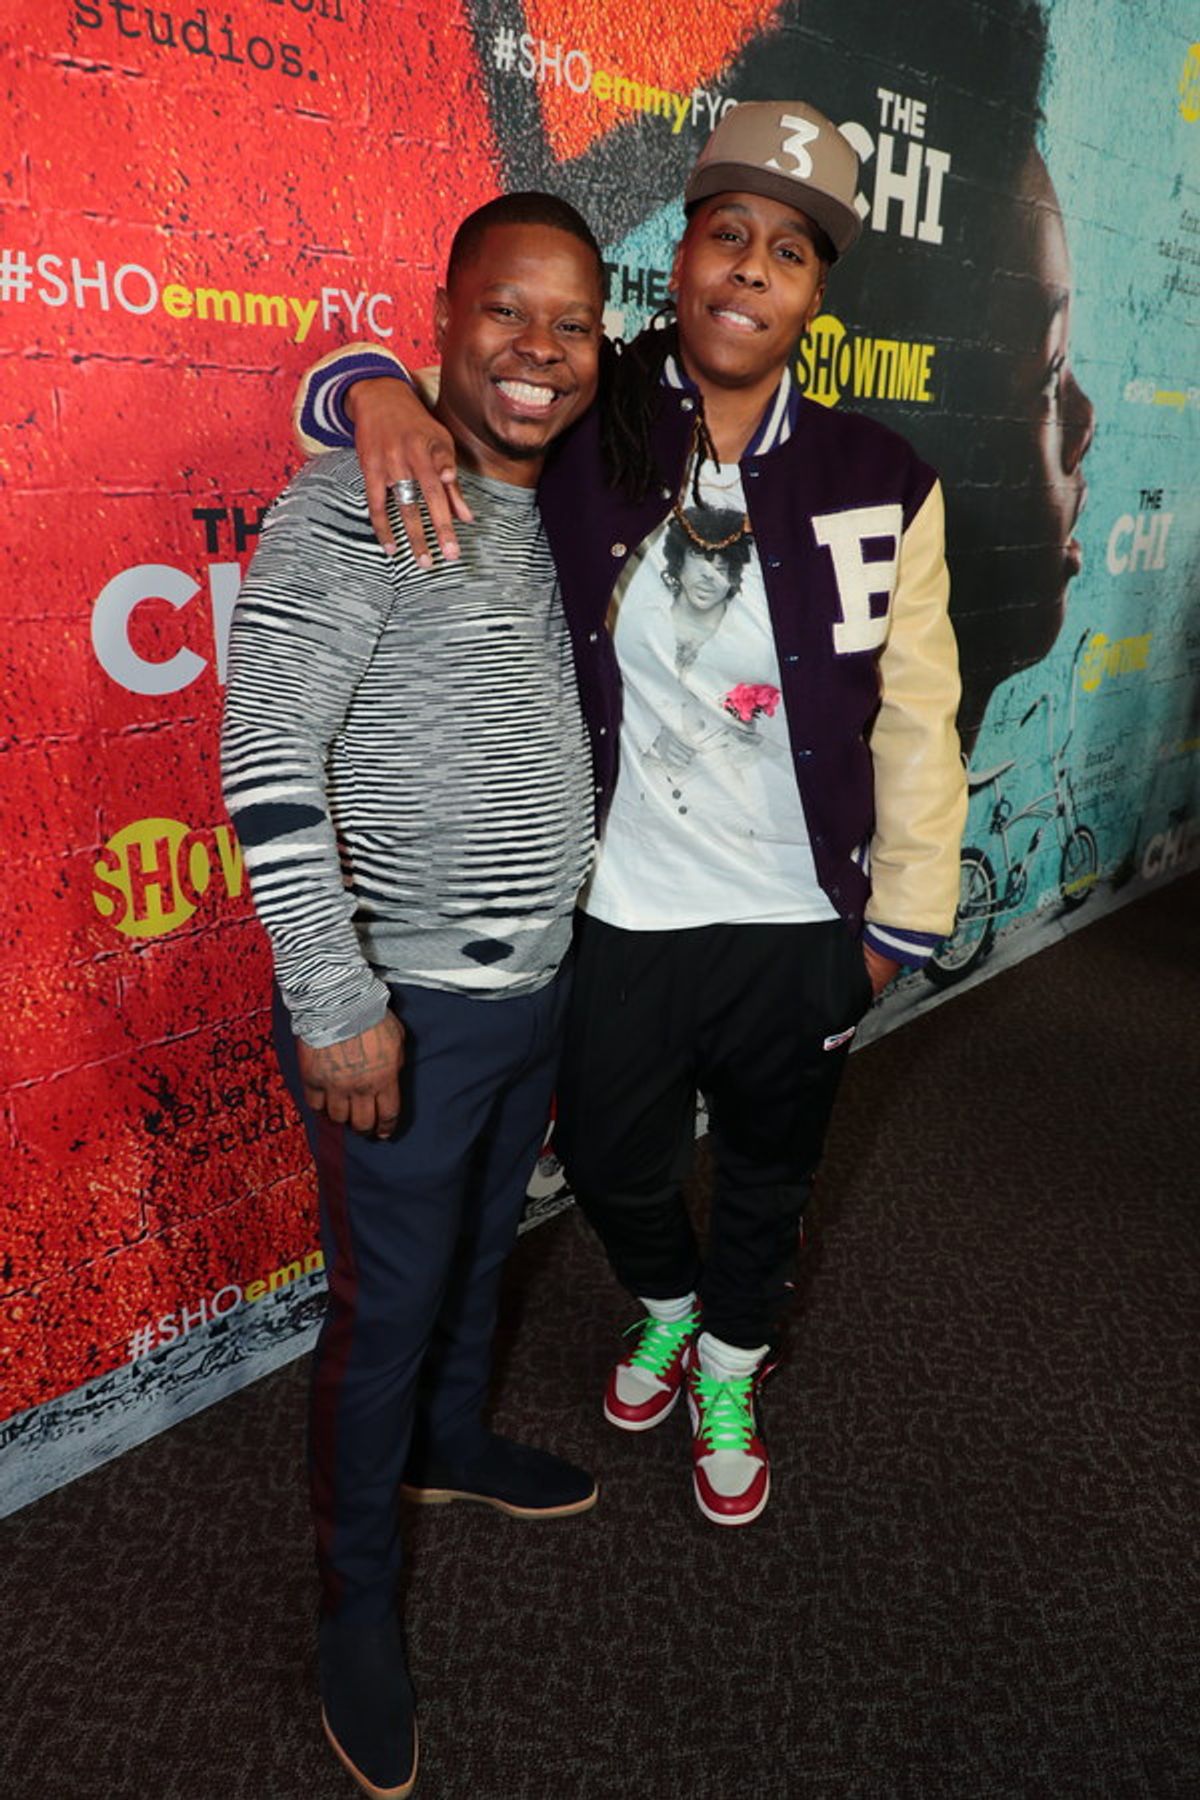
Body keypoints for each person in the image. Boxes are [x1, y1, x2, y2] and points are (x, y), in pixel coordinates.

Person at [292, 103, 967, 1529]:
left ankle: (729, 1365)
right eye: (729, 234)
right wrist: (366, 386)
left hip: (802, 923)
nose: (752, 268)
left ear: (816, 292)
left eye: (790, 252)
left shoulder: (881, 479)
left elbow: (919, 713)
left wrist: (895, 931)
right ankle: (666, 1305)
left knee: (771, 1180)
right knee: (608, 1164)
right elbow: (467, 389)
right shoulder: (598, 421)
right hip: (624, 915)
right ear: (684, 258)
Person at [222, 192, 608, 1800]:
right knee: (378, 1321)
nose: (539, 351)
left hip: (535, 994)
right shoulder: (356, 496)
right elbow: (266, 762)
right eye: (505, 311)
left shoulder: (568, 496)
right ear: (441, 318)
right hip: (400, 1010)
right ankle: (355, 1604)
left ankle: (453, 1448)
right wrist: (334, 1001)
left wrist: (366, 377)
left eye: (573, 324)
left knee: (483, 1252)